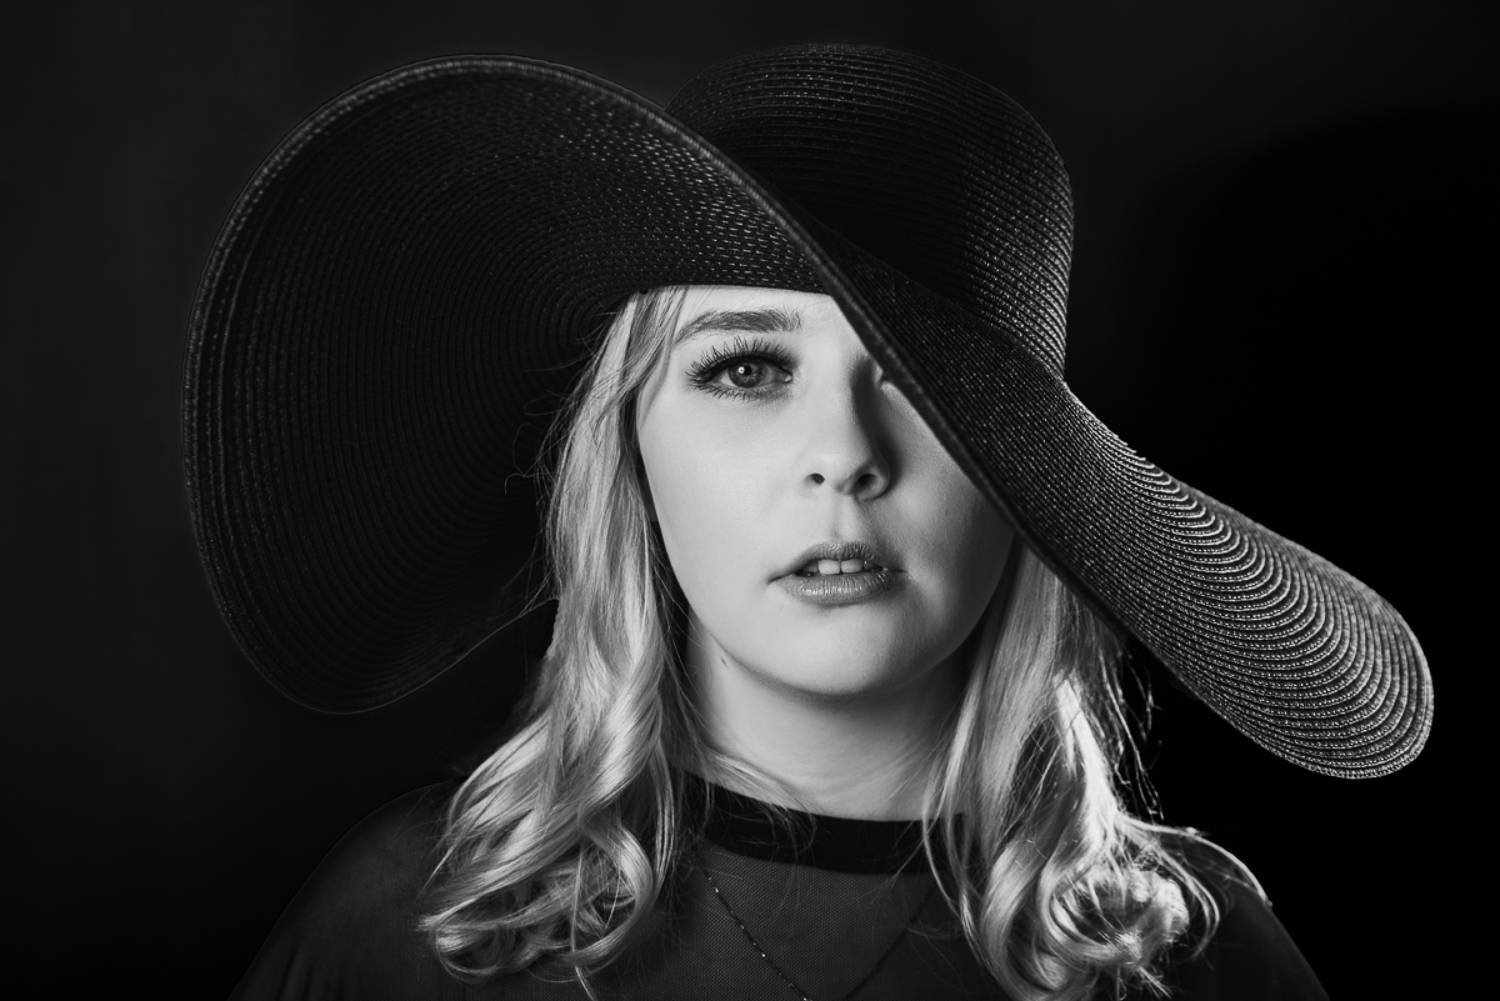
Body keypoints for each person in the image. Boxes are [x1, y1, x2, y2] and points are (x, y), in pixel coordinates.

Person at [184, 44, 1431, 1000]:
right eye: (745, 367)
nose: (843, 455)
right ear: (631, 449)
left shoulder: (1191, 954)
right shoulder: (415, 930)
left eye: (928, 387)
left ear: (1031, 480)